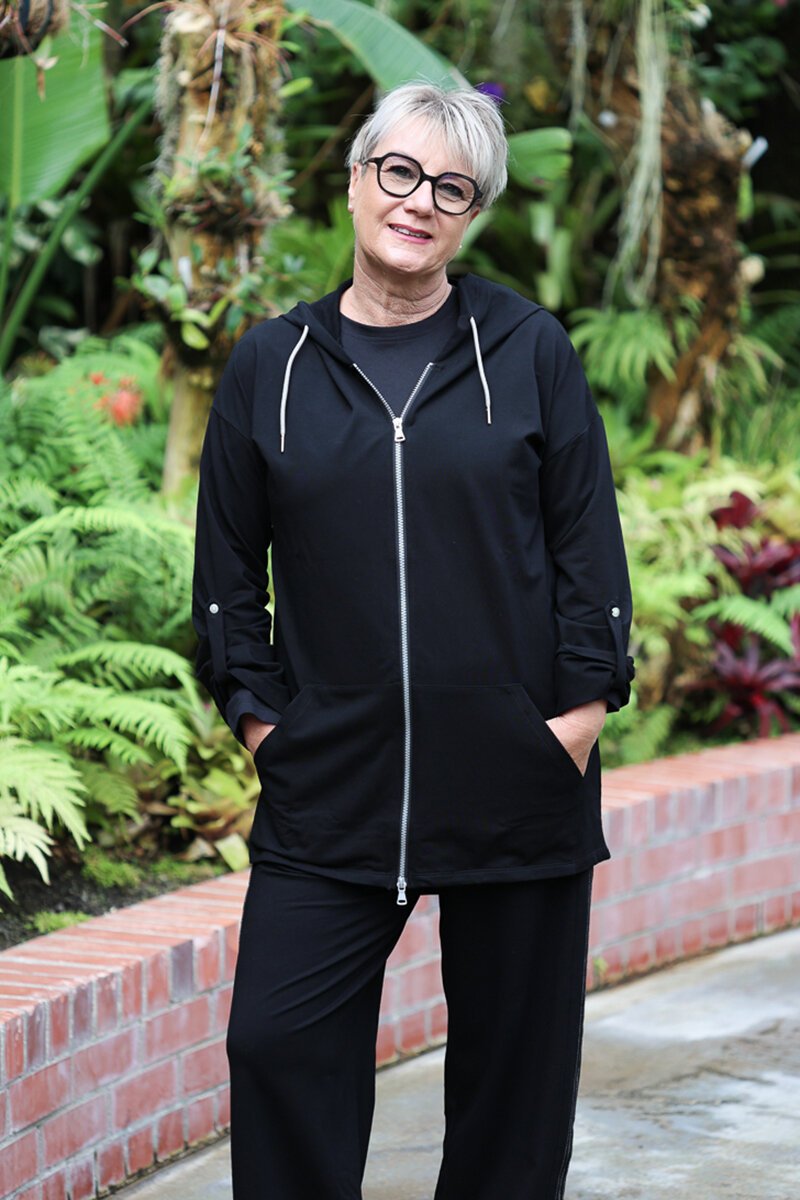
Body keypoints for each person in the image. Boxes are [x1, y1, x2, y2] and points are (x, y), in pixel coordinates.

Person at [191, 80, 634, 1200]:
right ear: (355, 180)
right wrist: (264, 726)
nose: (419, 201)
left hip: (516, 776)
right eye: (399, 171)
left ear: (471, 215)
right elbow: (226, 579)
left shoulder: (526, 350)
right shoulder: (272, 366)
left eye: (452, 187)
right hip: (331, 782)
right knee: (276, 1043)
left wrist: (572, 725)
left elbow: (588, 553)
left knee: (512, 1091)